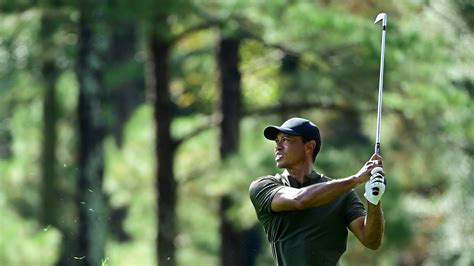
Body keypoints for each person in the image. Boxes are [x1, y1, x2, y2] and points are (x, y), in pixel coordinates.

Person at [249, 117, 386, 266]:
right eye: (277, 141)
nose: (278, 146)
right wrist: (356, 179)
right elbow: (299, 200)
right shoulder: (263, 186)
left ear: (309, 147)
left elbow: (371, 241)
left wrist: (374, 201)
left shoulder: (342, 193)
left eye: (286, 140)